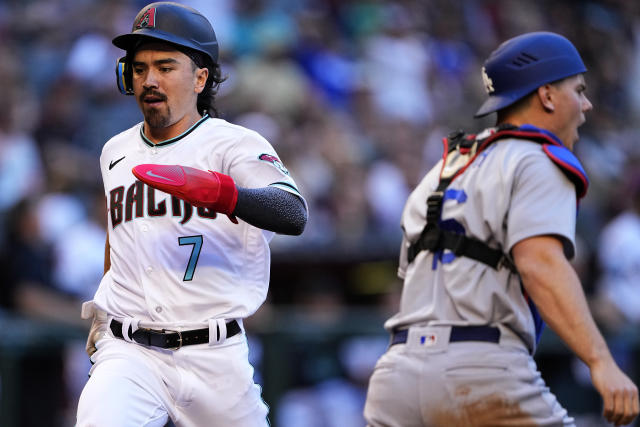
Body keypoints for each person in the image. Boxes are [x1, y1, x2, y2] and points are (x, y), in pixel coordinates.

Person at [363, 31, 639, 427]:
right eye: (578, 90)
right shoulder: (536, 159)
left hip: (396, 378)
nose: (586, 104)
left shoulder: (441, 171)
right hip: (479, 370)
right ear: (546, 96)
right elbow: (540, 265)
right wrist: (600, 361)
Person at [76, 2, 307, 426]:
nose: (149, 80)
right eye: (139, 68)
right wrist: (106, 308)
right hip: (130, 354)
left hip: (214, 357)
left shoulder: (232, 144)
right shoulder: (115, 151)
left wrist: (225, 194)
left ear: (201, 77)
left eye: (165, 66)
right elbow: (119, 235)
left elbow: (293, 213)